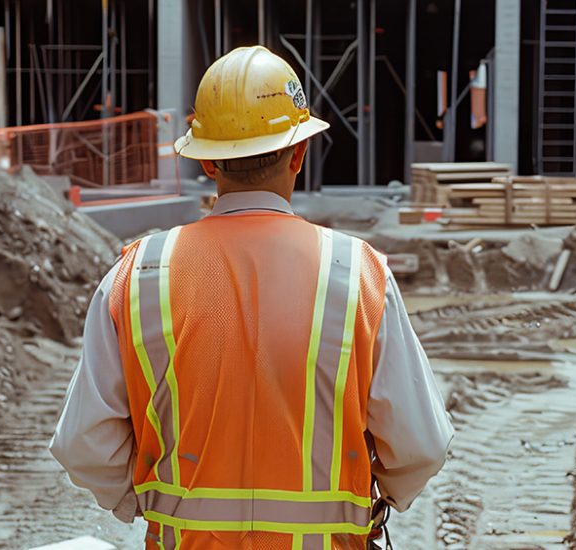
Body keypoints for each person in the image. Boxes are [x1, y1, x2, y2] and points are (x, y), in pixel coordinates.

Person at [50, 46, 453, 549]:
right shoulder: (357, 273)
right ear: (299, 153)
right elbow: (422, 446)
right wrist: (378, 499)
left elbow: (82, 445)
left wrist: (145, 503)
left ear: (210, 162)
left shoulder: (139, 274)